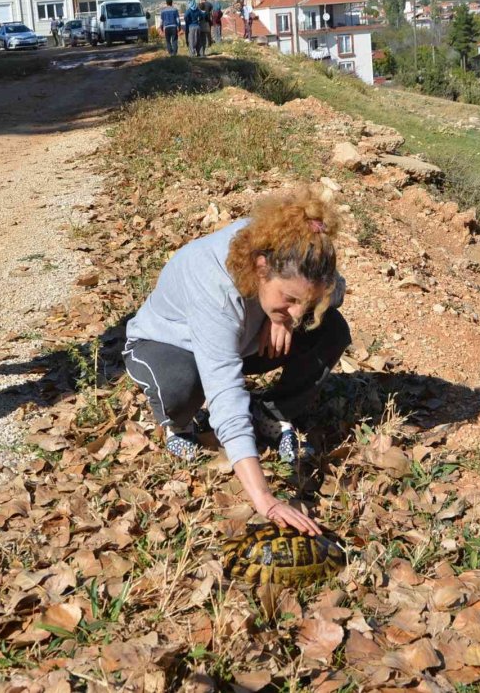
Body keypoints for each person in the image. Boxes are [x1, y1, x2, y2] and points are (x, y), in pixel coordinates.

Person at [123, 187, 350, 534]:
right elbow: (224, 388)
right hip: (167, 344)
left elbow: (336, 291)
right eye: (289, 299)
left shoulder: (298, 253)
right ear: (260, 269)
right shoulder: (212, 279)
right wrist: (264, 498)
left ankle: (271, 410)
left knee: (330, 328)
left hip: (239, 341)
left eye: (304, 301)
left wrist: (281, 317)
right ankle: (175, 422)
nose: (299, 310)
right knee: (184, 385)